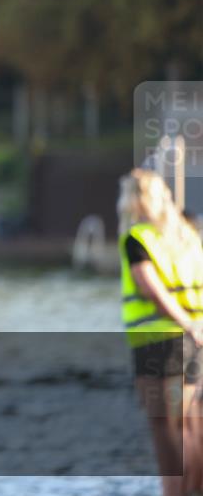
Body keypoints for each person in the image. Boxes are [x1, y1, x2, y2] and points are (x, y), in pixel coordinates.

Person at [118, 168, 203, 496]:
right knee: (191, 422)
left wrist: (184, 323)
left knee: (165, 426)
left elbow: (151, 288)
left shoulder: (139, 238)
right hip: (194, 342)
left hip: (159, 342)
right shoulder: (188, 236)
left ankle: (174, 493)